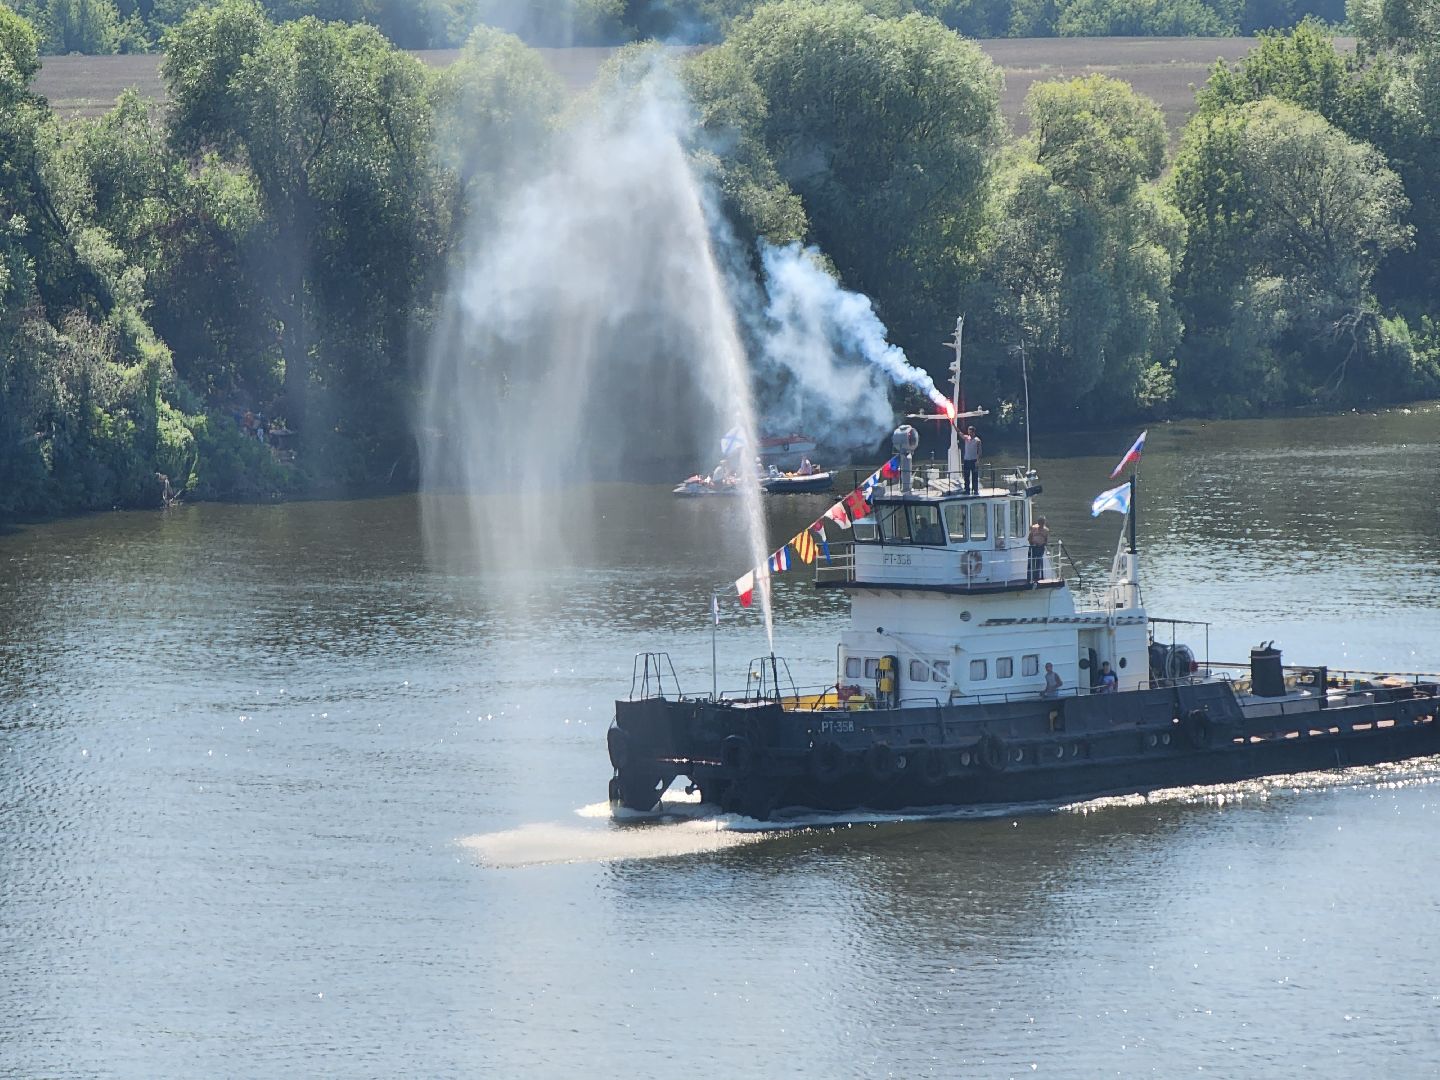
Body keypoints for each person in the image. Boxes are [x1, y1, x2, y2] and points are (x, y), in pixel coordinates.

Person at [1027, 515, 1049, 584]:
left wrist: (1042, 544)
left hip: (1040, 548)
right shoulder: (1033, 528)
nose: (1041, 524)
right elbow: (1029, 538)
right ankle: (1030, 577)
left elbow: (1046, 541)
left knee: (1039, 562)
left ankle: (1037, 578)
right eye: (1040, 522)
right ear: (1038, 522)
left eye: (1043, 522)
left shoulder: (1046, 530)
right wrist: (1033, 543)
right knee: (1031, 562)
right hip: (1033, 547)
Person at [961, 425, 981, 495]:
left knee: (975, 476)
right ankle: (967, 490)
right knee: (966, 476)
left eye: (970, 431)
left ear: (973, 432)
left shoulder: (977, 440)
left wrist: (977, 461)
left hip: (974, 460)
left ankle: (975, 490)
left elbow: (979, 451)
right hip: (966, 460)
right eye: (968, 431)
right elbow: (959, 432)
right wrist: (953, 425)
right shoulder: (966, 438)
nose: (969, 433)